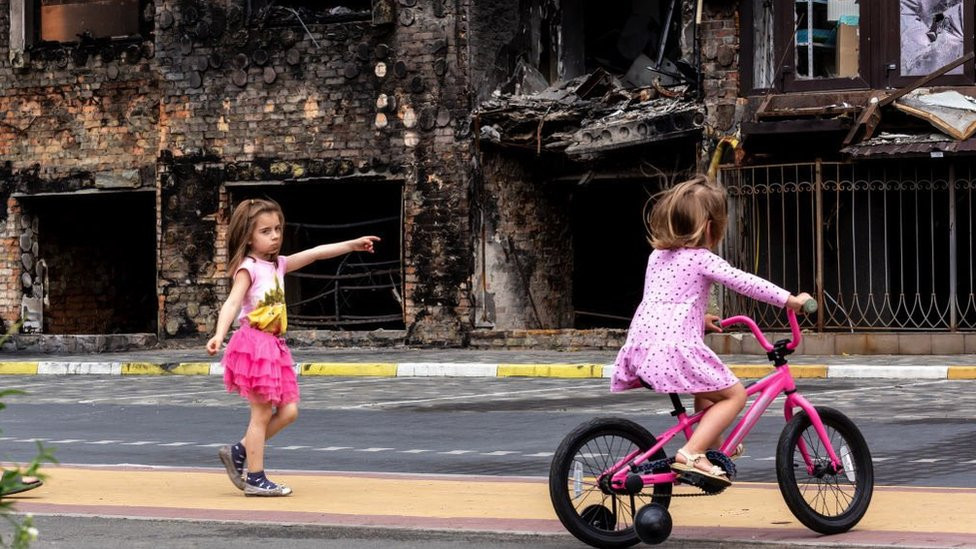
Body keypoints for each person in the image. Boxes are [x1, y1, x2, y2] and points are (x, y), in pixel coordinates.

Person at [610, 176, 811, 488]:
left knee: (707, 392)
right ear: (709, 227)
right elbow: (744, 281)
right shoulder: (701, 258)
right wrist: (789, 300)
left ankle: (711, 448)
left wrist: (698, 318)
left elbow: (664, 299)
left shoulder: (657, 257)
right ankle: (692, 453)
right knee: (735, 395)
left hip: (643, 344)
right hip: (675, 348)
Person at [206, 198, 379, 497]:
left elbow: (314, 254)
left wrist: (351, 244)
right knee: (260, 416)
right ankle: (255, 478)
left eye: (277, 229)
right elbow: (233, 302)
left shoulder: (279, 264)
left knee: (288, 412)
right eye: (265, 231)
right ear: (248, 236)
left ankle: (238, 451)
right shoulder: (248, 268)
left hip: (274, 346)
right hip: (254, 345)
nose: (274, 236)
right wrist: (219, 335)